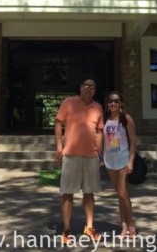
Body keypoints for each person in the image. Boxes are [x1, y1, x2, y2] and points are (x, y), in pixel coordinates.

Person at [54, 77, 104, 244]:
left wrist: (100, 153)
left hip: (91, 156)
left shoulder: (98, 107)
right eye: (86, 85)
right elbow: (58, 124)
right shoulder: (68, 102)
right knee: (67, 192)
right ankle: (67, 229)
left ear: (95, 90)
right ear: (80, 87)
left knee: (89, 193)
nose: (89, 88)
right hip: (71, 154)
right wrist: (59, 148)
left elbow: (100, 131)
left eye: (93, 86)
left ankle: (89, 227)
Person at [102, 91, 137, 238]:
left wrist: (131, 161)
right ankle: (123, 227)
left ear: (121, 103)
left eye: (116, 101)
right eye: (110, 101)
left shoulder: (126, 119)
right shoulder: (104, 119)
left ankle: (131, 226)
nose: (113, 104)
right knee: (120, 195)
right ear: (107, 103)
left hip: (123, 159)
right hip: (110, 161)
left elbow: (133, 141)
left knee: (123, 194)